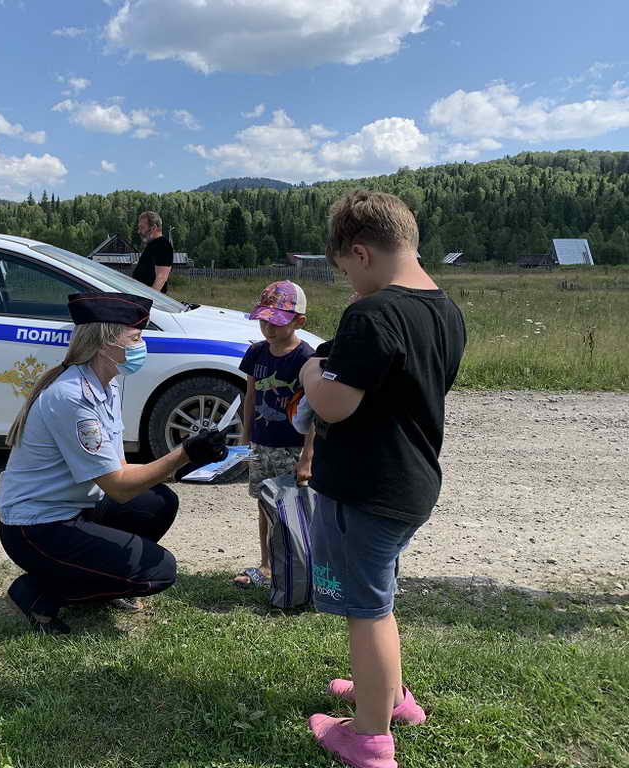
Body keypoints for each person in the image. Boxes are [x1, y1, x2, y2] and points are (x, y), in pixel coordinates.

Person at [299, 190, 466, 768]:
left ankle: (369, 737)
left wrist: (309, 367)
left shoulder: (373, 313)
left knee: (365, 609)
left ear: (361, 252)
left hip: (369, 487)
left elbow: (336, 404)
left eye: (344, 268)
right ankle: (391, 697)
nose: (348, 281)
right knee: (381, 595)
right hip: (412, 481)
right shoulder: (444, 307)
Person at [0, 292, 229, 634]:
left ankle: (97, 579)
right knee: (159, 571)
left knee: (158, 502)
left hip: (72, 510)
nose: (142, 344)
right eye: (135, 338)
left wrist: (193, 461)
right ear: (105, 342)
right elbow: (119, 487)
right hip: (35, 529)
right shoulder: (73, 396)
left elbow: (119, 467)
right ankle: (35, 593)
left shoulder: (107, 384)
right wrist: (183, 453)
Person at [232, 280, 315, 588]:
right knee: (264, 505)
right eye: (264, 320)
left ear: (299, 322)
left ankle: (296, 567)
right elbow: (251, 396)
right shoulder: (256, 353)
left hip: (292, 447)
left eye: (277, 322)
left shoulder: (307, 359)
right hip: (260, 445)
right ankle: (267, 566)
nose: (268, 327)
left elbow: (316, 410)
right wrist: (244, 438)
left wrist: (308, 454)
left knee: (292, 509)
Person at [131, 211, 174, 293]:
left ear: (154, 228)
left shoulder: (163, 245)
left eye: (142, 228)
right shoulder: (153, 245)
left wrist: (151, 300)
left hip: (150, 302)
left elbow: (161, 277)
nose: (139, 231)